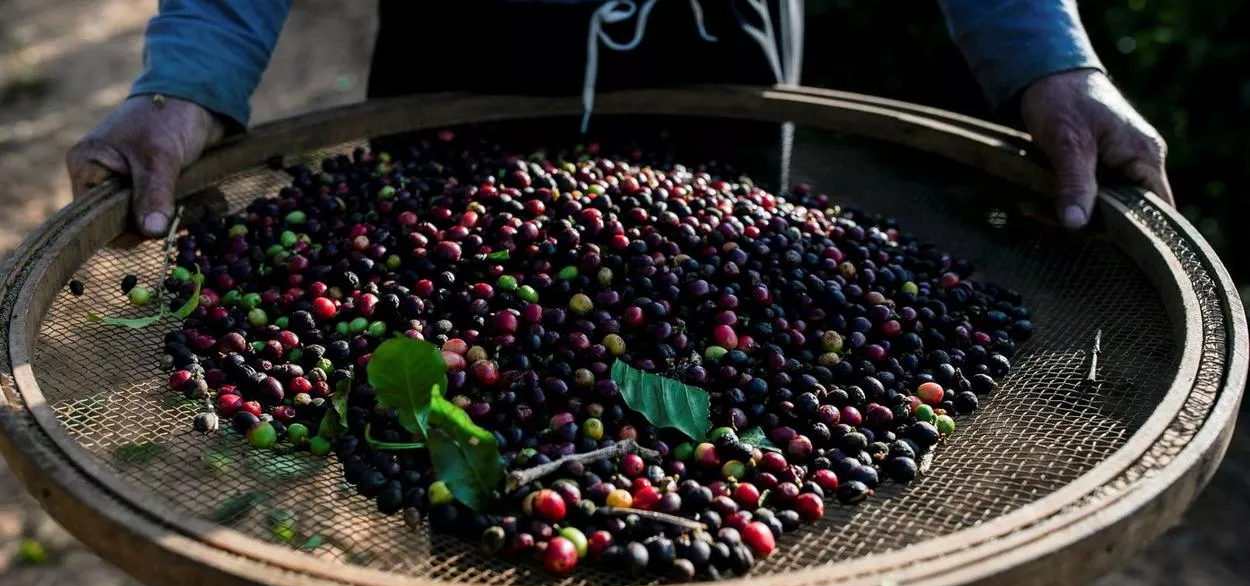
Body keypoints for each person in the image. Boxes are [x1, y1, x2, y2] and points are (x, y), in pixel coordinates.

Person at [66, 0, 1172, 239]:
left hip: (715, 82)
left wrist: (1047, 64)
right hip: (462, 79)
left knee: (719, 413)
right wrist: (187, 84)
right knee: (442, 416)